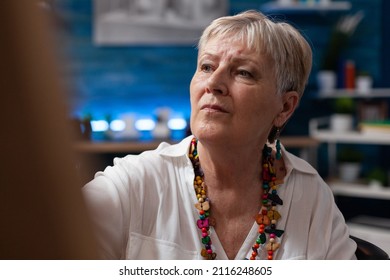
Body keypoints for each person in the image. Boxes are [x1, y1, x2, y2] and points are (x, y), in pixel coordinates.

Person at [82, 10, 357, 260]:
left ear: (285, 107)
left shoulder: (310, 195)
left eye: (244, 72)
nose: (213, 83)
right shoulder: (133, 184)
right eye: (206, 67)